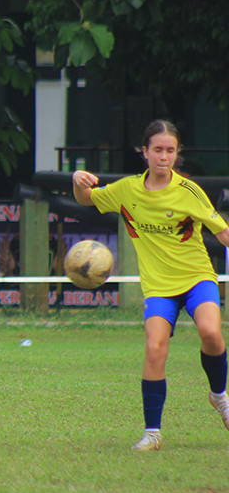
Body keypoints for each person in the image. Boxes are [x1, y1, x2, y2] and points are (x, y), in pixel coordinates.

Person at [73, 119, 229, 452]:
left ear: (177, 154)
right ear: (144, 152)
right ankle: (153, 433)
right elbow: (86, 199)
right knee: (155, 347)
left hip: (197, 278)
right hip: (159, 287)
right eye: (157, 150)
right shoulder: (127, 190)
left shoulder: (189, 192)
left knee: (211, 333)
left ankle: (219, 396)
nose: (163, 156)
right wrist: (77, 180)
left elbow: (223, 233)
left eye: (170, 150)